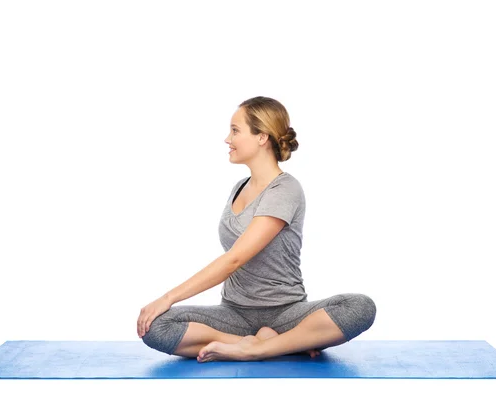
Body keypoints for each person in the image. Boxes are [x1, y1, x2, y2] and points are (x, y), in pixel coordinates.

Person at [137, 96, 376, 363]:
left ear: (262, 137)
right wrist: (163, 307)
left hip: (287, 314)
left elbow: (235, 258)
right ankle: (270, 344)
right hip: (234, 315)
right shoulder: (239, 187)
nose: (228, 139)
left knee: (360, 307)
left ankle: (258, 349)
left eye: (235, 130)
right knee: (156, 326)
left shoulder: (285, 189)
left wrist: (167, 297)